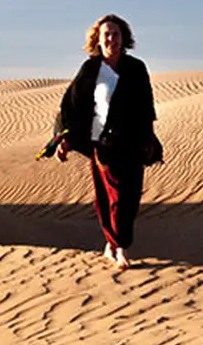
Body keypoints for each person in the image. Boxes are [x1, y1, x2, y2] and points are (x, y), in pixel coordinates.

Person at [52, 14, 160, 270]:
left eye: (116, 34)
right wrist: (64, 138)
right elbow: (70, 105)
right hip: (102, 142)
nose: (111, 39)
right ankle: (119, 246)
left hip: (132, 142)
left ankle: (112, 243)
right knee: (113, 194)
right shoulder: (91, 69)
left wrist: (148, 138)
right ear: (98, 40)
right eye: (106, 35)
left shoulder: (136, 68)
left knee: (130, 196)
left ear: (124, 38)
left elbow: (146, 106)